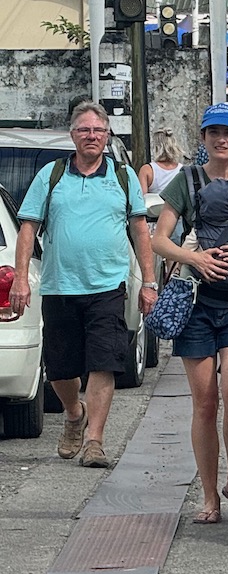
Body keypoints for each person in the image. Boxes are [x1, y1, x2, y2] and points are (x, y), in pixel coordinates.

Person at [152, 104, 228, 524]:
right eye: (213, 133)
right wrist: (196, 258)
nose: (221, 139)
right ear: (202, 138)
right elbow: (158, 240)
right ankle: (209, 495)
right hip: (196, 306)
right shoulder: (187, 182)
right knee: (205, 403)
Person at [9, 101, 152, 469]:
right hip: (59, 286)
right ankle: (75, 414)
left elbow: (139, 229)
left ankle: (95, 441)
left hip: (107, 286)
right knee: (60, 369)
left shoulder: (122, 176)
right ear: (73, 136)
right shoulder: (52, 175)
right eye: (84, 130)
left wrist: (148, 281)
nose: (92, 136)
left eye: (98, 131)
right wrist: (21, 279)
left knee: (104, 363)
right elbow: (28, 228)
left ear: (107, 136)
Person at [138, 130, 185, 195]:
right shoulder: (182, 170)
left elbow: (142, 198)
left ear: (156, 147)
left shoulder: (147, 170)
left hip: (156, 204)